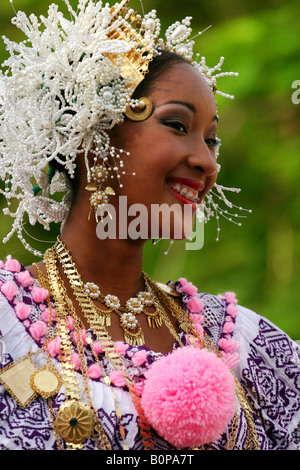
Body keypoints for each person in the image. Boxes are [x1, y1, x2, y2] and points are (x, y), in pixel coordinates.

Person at [0, 0, 299, 451]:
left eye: (211, 138)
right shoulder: (11, 323)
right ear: (92, 142)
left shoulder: (236, 340)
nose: (207, 161)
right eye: (178, 125)